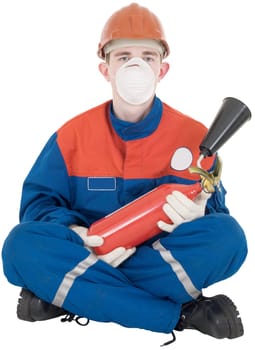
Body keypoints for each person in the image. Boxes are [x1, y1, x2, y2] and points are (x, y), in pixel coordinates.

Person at [1, 2, 247, 344]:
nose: (136, 66)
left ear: (162, 69)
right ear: (106, 69)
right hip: (88, 250)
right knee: (19, 245)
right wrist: (76, 234)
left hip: (157, 255)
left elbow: (216, 218)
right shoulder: (71, 136)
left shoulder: (197, 138)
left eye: (148, 57)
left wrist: (199, 212)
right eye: (123, 56)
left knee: (230, 239)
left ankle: (69, 292)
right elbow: (37, 206)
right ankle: (181, 315)